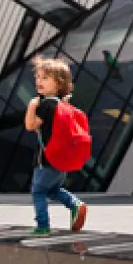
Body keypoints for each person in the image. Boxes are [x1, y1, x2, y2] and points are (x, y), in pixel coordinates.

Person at [24, 57, 88, 236]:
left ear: (58, 83)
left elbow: (30, 125)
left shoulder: (46, 105)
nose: (39, 81)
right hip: (61, 160)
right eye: (37, 77)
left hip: (46, 159)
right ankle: (75, 204)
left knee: (38, 192)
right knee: (52, 189)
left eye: (45, 78)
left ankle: (42, 226)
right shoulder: (62, 105)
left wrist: (31, 106)